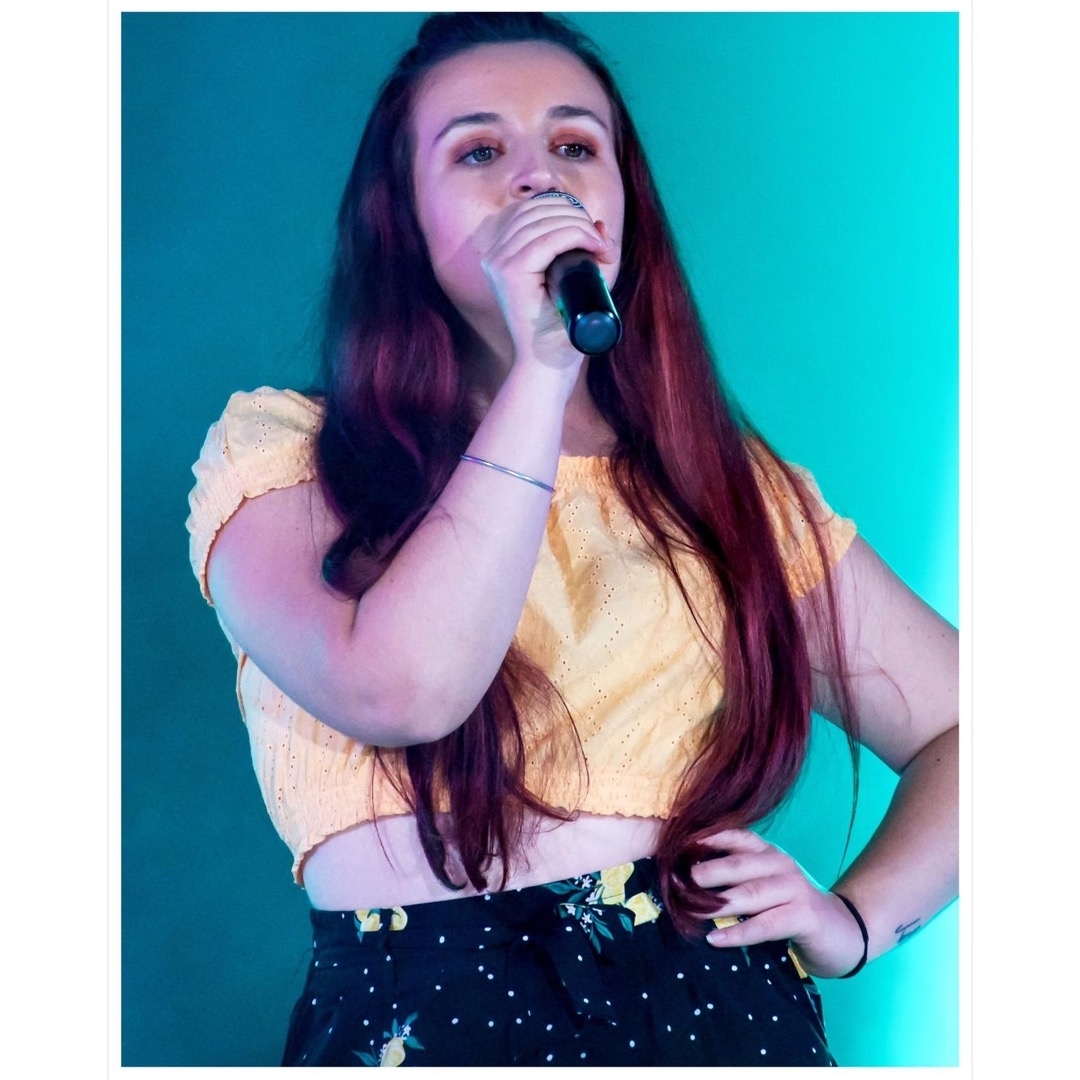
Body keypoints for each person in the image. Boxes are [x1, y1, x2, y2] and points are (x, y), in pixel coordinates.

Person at [186, 11, 958, 1068]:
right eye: (479, 151)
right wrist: (543, 371)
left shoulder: (728, 490)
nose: (537, 178)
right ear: (401, 215)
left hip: (713, 1017)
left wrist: (855, 925)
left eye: (574, 145)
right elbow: (401, 689)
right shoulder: (285, 452)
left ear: (623, 203)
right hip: (430, 1016)